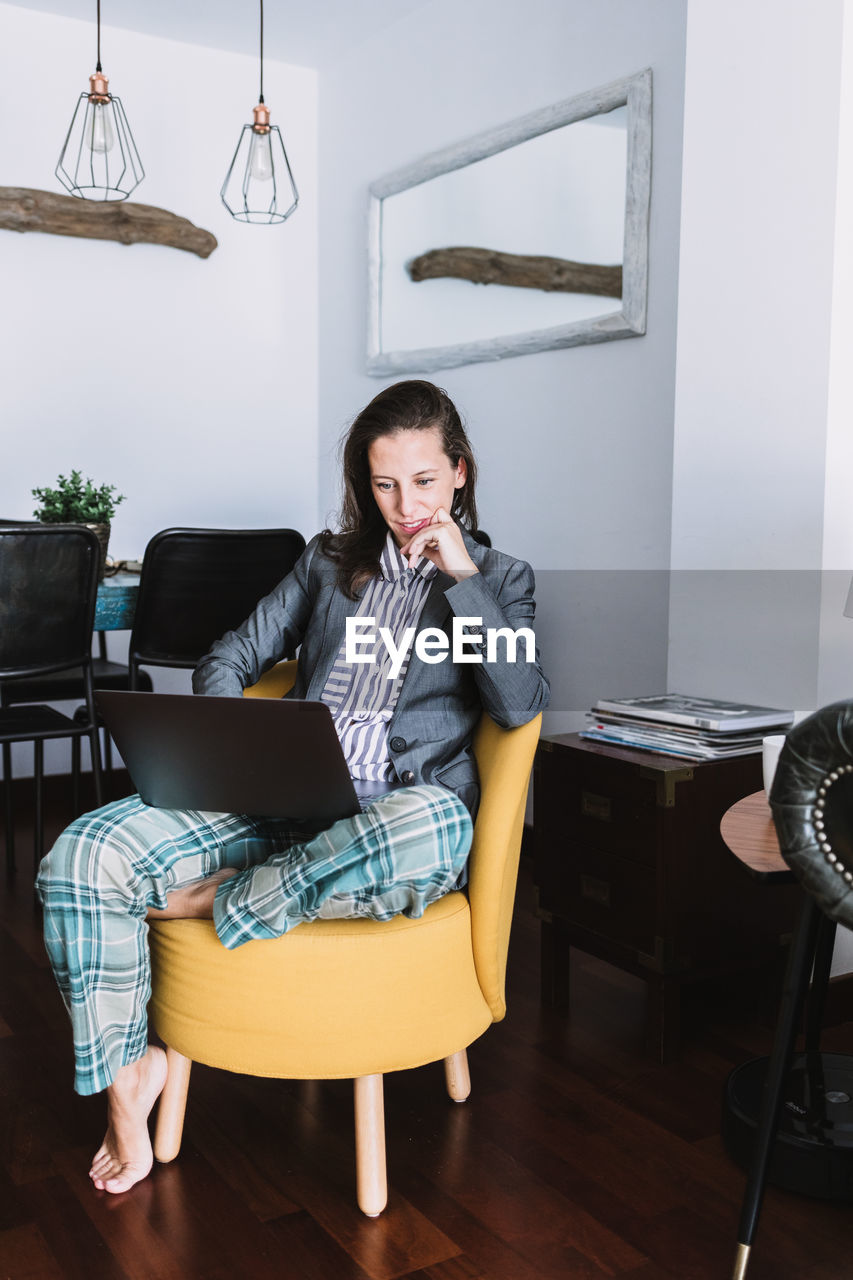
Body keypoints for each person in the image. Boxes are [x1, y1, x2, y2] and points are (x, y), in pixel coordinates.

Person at [36, 379, 549, 1195]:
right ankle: (129, 1078)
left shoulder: (501, 578)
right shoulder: (325, 561)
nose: (404, 503)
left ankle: (225, 898)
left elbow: (519, 703)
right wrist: (227, 742)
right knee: (85, 851)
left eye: (422, 481)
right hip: (276, 802)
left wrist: (459, 575)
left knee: (434, 824)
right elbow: (228, 656)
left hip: (391, 824)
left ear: (458, 473)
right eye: (384, 484)